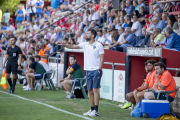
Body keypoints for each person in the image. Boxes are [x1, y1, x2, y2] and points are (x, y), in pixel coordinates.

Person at [57, 28, 104, 117]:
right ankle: (92, 109)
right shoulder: (85, 44)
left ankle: (96, 111)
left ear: (93, 35)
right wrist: (63, 44)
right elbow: (73, 46)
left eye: (88, 33)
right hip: (88, 71)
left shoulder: (99, 45)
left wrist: (99, 70)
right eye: (86, 33)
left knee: (95, 90)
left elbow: (102, 59)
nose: (86, 35)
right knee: (89, 90)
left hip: (96, 70)